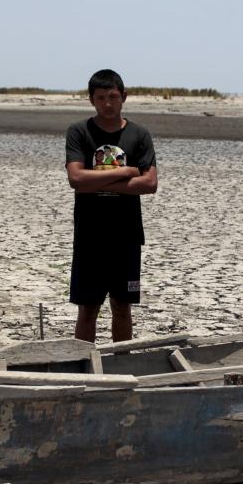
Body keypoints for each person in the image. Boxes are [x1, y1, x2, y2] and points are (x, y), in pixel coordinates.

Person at [64, 69, 158, 343]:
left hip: (126, 236)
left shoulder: (139, 135)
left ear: (124, 97)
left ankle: (121, 363)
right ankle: (84, 368)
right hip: (90, 236)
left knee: (122, 307)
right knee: (88, 309)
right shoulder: (79, 132)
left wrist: (99, 183)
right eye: (101, 97)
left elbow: (150, 184)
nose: (108, 103)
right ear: (91, 100)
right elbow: (77, 179)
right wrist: (127, 172)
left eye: (113, 97)